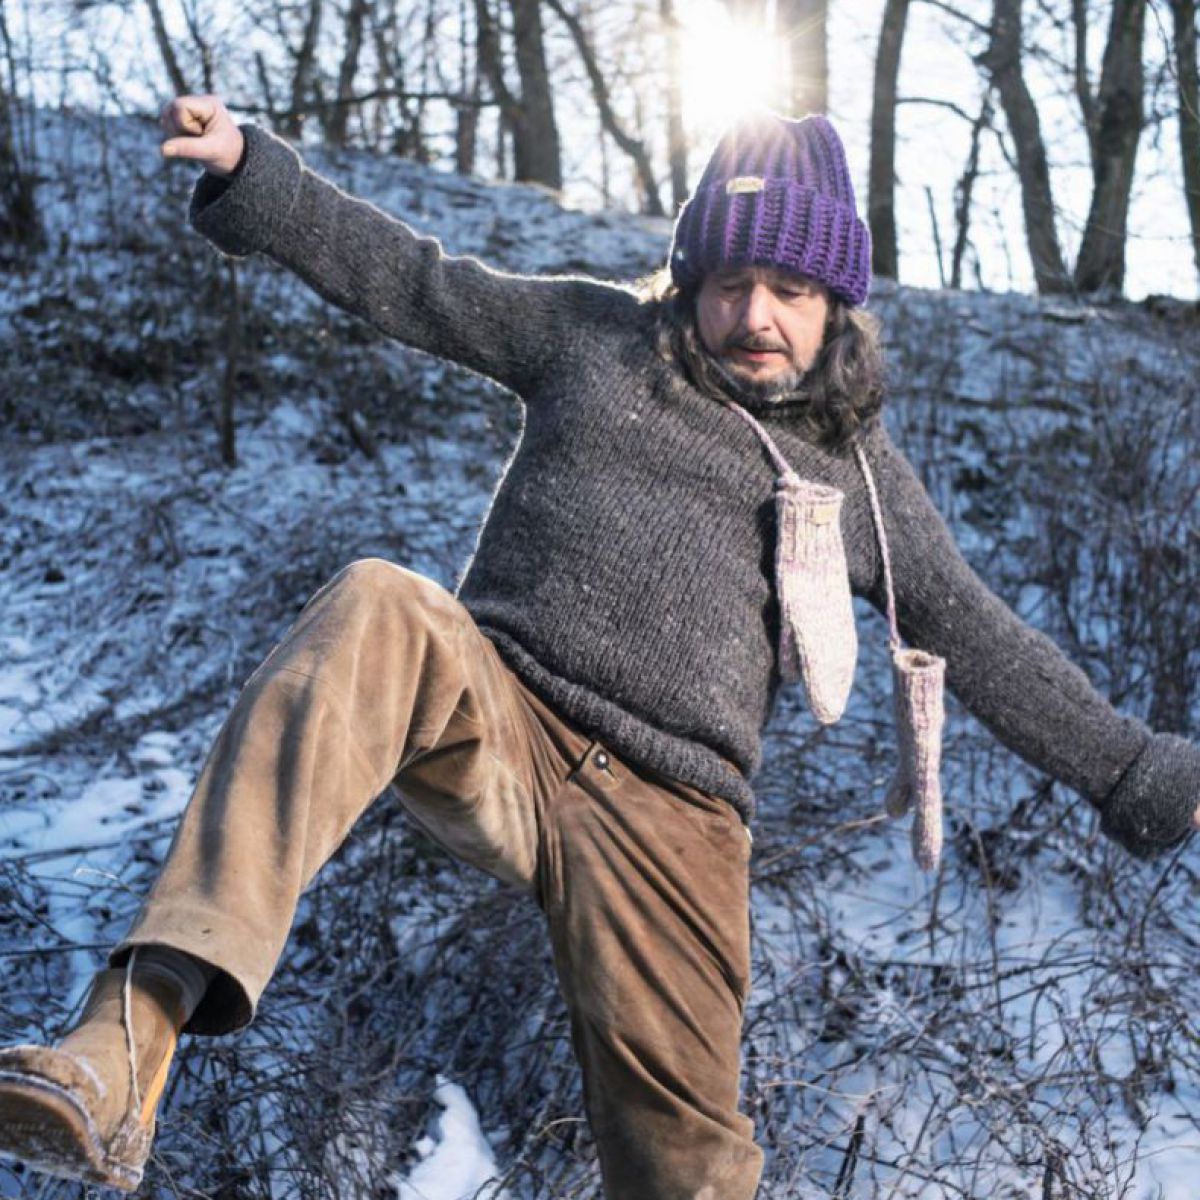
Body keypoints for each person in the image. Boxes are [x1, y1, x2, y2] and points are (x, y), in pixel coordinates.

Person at [1, 95, 1197, 1199]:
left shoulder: (862, 480)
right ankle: (126, 1040)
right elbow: (415, 283)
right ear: (690, 277)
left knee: (690, 1164)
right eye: (728, 281)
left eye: (788, 285)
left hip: (678, 825)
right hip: (501, 720)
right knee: (381, 601)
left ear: (838, 299)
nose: (753, 314)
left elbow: (981, 636)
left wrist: (1144, 773)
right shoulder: (593, 338)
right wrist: (259, 175)